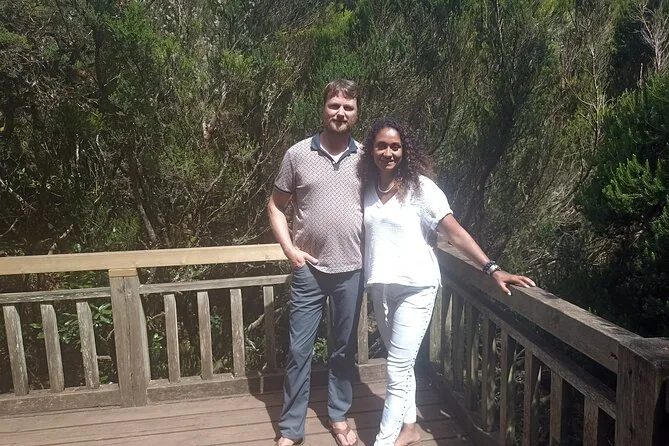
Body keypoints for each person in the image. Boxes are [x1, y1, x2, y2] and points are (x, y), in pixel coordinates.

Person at [359, 117, 535, 446]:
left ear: (405, 150)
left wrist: (492, 268)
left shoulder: (421, 188)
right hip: (381, 287)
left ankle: (383, 441)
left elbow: (455, 233)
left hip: (417, 287)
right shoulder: (367, 189)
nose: (388, 153)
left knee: (396, 367)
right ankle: (409, 427)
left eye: (395, 146)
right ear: (371, 150)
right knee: (401, 363)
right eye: (381, 146)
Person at [268, 79, 364, 446]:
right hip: (308, 270)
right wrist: (289, 250)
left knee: (342, 349)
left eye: (348, 107)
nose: (340, 112)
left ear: (356, 113)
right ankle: (291, 429)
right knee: (299, 351)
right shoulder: (297, 155)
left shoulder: (366, 158)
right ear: (323, 109)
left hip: (352, 268)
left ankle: (338, 417)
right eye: (334, 105)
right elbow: (275, 206)